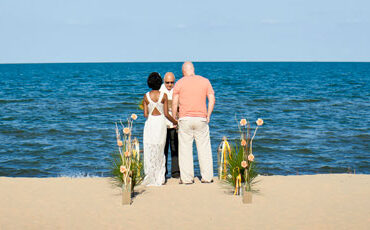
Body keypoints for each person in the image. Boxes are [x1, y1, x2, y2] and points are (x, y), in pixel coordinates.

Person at [172, 62, 215, 184]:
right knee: (204, 148)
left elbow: (175, 102)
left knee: (185, 149)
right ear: (193, 70)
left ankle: (187, 178)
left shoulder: (179, 83)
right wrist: (208, 115)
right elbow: (212, 99)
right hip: (201, 118)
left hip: (185, 119)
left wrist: (175, 118)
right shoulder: (205, 81)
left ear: (183, 71)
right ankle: (207, 177)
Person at [143, 72, 177, 186]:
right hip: (161, 123)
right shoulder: (164, 96)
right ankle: (160, 177)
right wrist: (175, 122)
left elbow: (145, 114)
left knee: (150, 148)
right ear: (160, 83)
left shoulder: (146, 96)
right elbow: (166, 114)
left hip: (150, 123)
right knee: (160, 148)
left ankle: (150, 174)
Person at [159, 72, 180, 178]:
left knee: (175, 148)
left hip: (174, 124)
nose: (169, 85)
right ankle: (163, 172)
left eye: (172, 82)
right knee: (163, 149)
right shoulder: (160, 90)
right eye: (167, 82)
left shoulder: (177, 90)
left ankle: (176, 172)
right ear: (164, 81)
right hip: (163, 124)